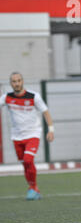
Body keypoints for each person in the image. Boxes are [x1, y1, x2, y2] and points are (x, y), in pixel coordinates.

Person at [0, 72, 55, 200]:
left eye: (19, 80)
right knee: (25, 164)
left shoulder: (34, 96)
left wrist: (51, 130)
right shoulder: (6, 97)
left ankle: (33, 188)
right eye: (14, 81)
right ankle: (34, 188)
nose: (17, 83)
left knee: (28, 160)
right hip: (16, 137)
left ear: (22, 81)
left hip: (33, 134)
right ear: (11, 83)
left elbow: (46, 112)